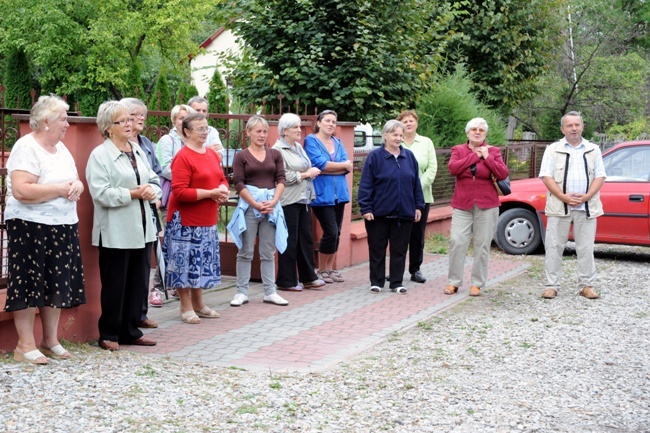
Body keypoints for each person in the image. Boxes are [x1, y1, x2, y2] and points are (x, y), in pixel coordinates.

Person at [4, 95, 86, 364]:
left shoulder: (61, 149)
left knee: (55, 281)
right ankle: (24, 345)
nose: (67, 124)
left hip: (62, 224)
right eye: (63, 118)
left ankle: (50, 340)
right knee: (29, 281)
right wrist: (61, 189)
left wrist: (77, 187)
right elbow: (22, 190)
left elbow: (73, 180)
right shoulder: (26, 147)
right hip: (30, 226)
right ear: (46, 122)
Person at [86, 101, 161, 350]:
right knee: (115, 284)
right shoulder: (100, 155)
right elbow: (100, 193)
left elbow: (152, 178)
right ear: (109, 127)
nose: (130, 124)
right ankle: (108, 334)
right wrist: (132, 194)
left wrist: (152, 190)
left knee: (138, 282)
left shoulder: (136, 150)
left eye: (130, 120)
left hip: (142, 229)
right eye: (123, 121)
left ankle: (131, 330)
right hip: (116, 230)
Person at [163, 112, 230, 323]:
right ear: (187, 132)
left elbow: (222, 178)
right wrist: (210, 193)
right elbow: (180, 192)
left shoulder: (210, 154)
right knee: (184, 264)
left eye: (206, 128)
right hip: (185, 220)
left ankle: (199, 303)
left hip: (207, 218)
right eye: (200, 129)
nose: (205, 132)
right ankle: (185, 306)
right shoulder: (182, 157)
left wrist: (222, 189)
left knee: (199, 263)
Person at [539, 111, 606, 300]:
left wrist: (587, 196)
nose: (574, 128)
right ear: (563, 129)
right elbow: (546, 175)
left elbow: (600, 175)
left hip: (586, 207)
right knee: (554, 246)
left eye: (577, 125)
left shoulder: (593, 149)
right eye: (569, 125)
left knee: (585, 247)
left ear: (582, 127)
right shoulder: (552, 149)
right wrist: (563, 196)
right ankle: (552, 285)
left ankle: (586, 285)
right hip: (559, 206)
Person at [226, 115, 289, 307]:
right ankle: (241, 292)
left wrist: (273, 202)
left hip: (271, 207)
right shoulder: (241, 156)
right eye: (258, 131)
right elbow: (238, 182)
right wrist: (255, 203)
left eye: (264, 132)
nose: (262, 135)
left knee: (268, 252)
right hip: (249, 208)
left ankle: (270, 292)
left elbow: (281, 179)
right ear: (248, 133)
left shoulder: (275, 154)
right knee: (245, 251)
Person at [358, 119, 424, 294]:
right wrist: (365, 208)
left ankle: (396, 282)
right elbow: (366, 184)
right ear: (385, 135)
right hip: (378, 213)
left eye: (401, 135)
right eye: (395, 134)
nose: (398, 138)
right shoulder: (375, 157)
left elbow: (415, 183)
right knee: (377, 249)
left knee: (400, 250)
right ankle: (377, 282)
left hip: (404, 213)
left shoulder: (408, 156)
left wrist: (418, 206)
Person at [445, 118, 509, 297]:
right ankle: (454, 282)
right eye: (474, 129)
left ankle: (477, 283)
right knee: (457, 242)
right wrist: (476, 156)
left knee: (482, 245)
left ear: (485, 134)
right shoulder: (458, 150)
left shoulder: (493, 151)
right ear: (467, 133)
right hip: (462, 204)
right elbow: (453, 168)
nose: (477, 132)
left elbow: (503, 173)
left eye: (481, 130)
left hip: (487, 205)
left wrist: (487, 157)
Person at [121, 97, 165, 321]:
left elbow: (155, 173)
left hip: (150, 209)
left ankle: (141, 313)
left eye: (143, 115)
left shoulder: (146, 143)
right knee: (130, 264)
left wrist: (156, 197)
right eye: (136, 115)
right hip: (129, 209)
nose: (141, 119)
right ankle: (130, 315)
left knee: (145, 262)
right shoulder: (116, 146)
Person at [272, 113, 326, 291]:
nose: (299, 129)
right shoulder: (278, 149)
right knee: (290, 240)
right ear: (284, 130)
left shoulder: (297, 147)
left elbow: (304, 165)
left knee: (306, 239)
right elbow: (281, 176)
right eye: (295, 127)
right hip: (288, 200)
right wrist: (305, 175)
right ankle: (286, 281)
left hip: (304, 198)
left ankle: (308, 277)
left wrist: (311, 170)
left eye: (299, 126)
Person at [304, 110, 352, 284]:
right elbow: (319, 164)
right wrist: (338, 167)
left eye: (334, 121)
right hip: (321, 193)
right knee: (330, 231)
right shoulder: (311, 141)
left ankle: (330, 269)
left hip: (339, 193)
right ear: (318, 123)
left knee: (337, 233)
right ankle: (322, 269)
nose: (331, 124)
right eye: (327, 121)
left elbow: (348, 166)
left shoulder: (337, 142)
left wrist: (334, 167)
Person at [396, 110, 437, 284]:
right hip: (399, 197)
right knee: (398, 235)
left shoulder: (426, 142)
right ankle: (396, 269)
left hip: (422, 197)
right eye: (405, 121)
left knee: (417, 235)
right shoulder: (396, 142)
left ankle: (415, 269)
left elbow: (432, 168)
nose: (408, 123)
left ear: (416, 123)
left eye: (411, 120)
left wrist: (416, 188)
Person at [187, 96, 225, 161]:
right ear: (189, 112)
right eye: (198, 110)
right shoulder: (184, 131)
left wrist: (198, 153)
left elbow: (219, 157)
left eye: (204, 111)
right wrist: (207, 150)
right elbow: (185, 158)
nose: (201, 113)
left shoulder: (212, 131)